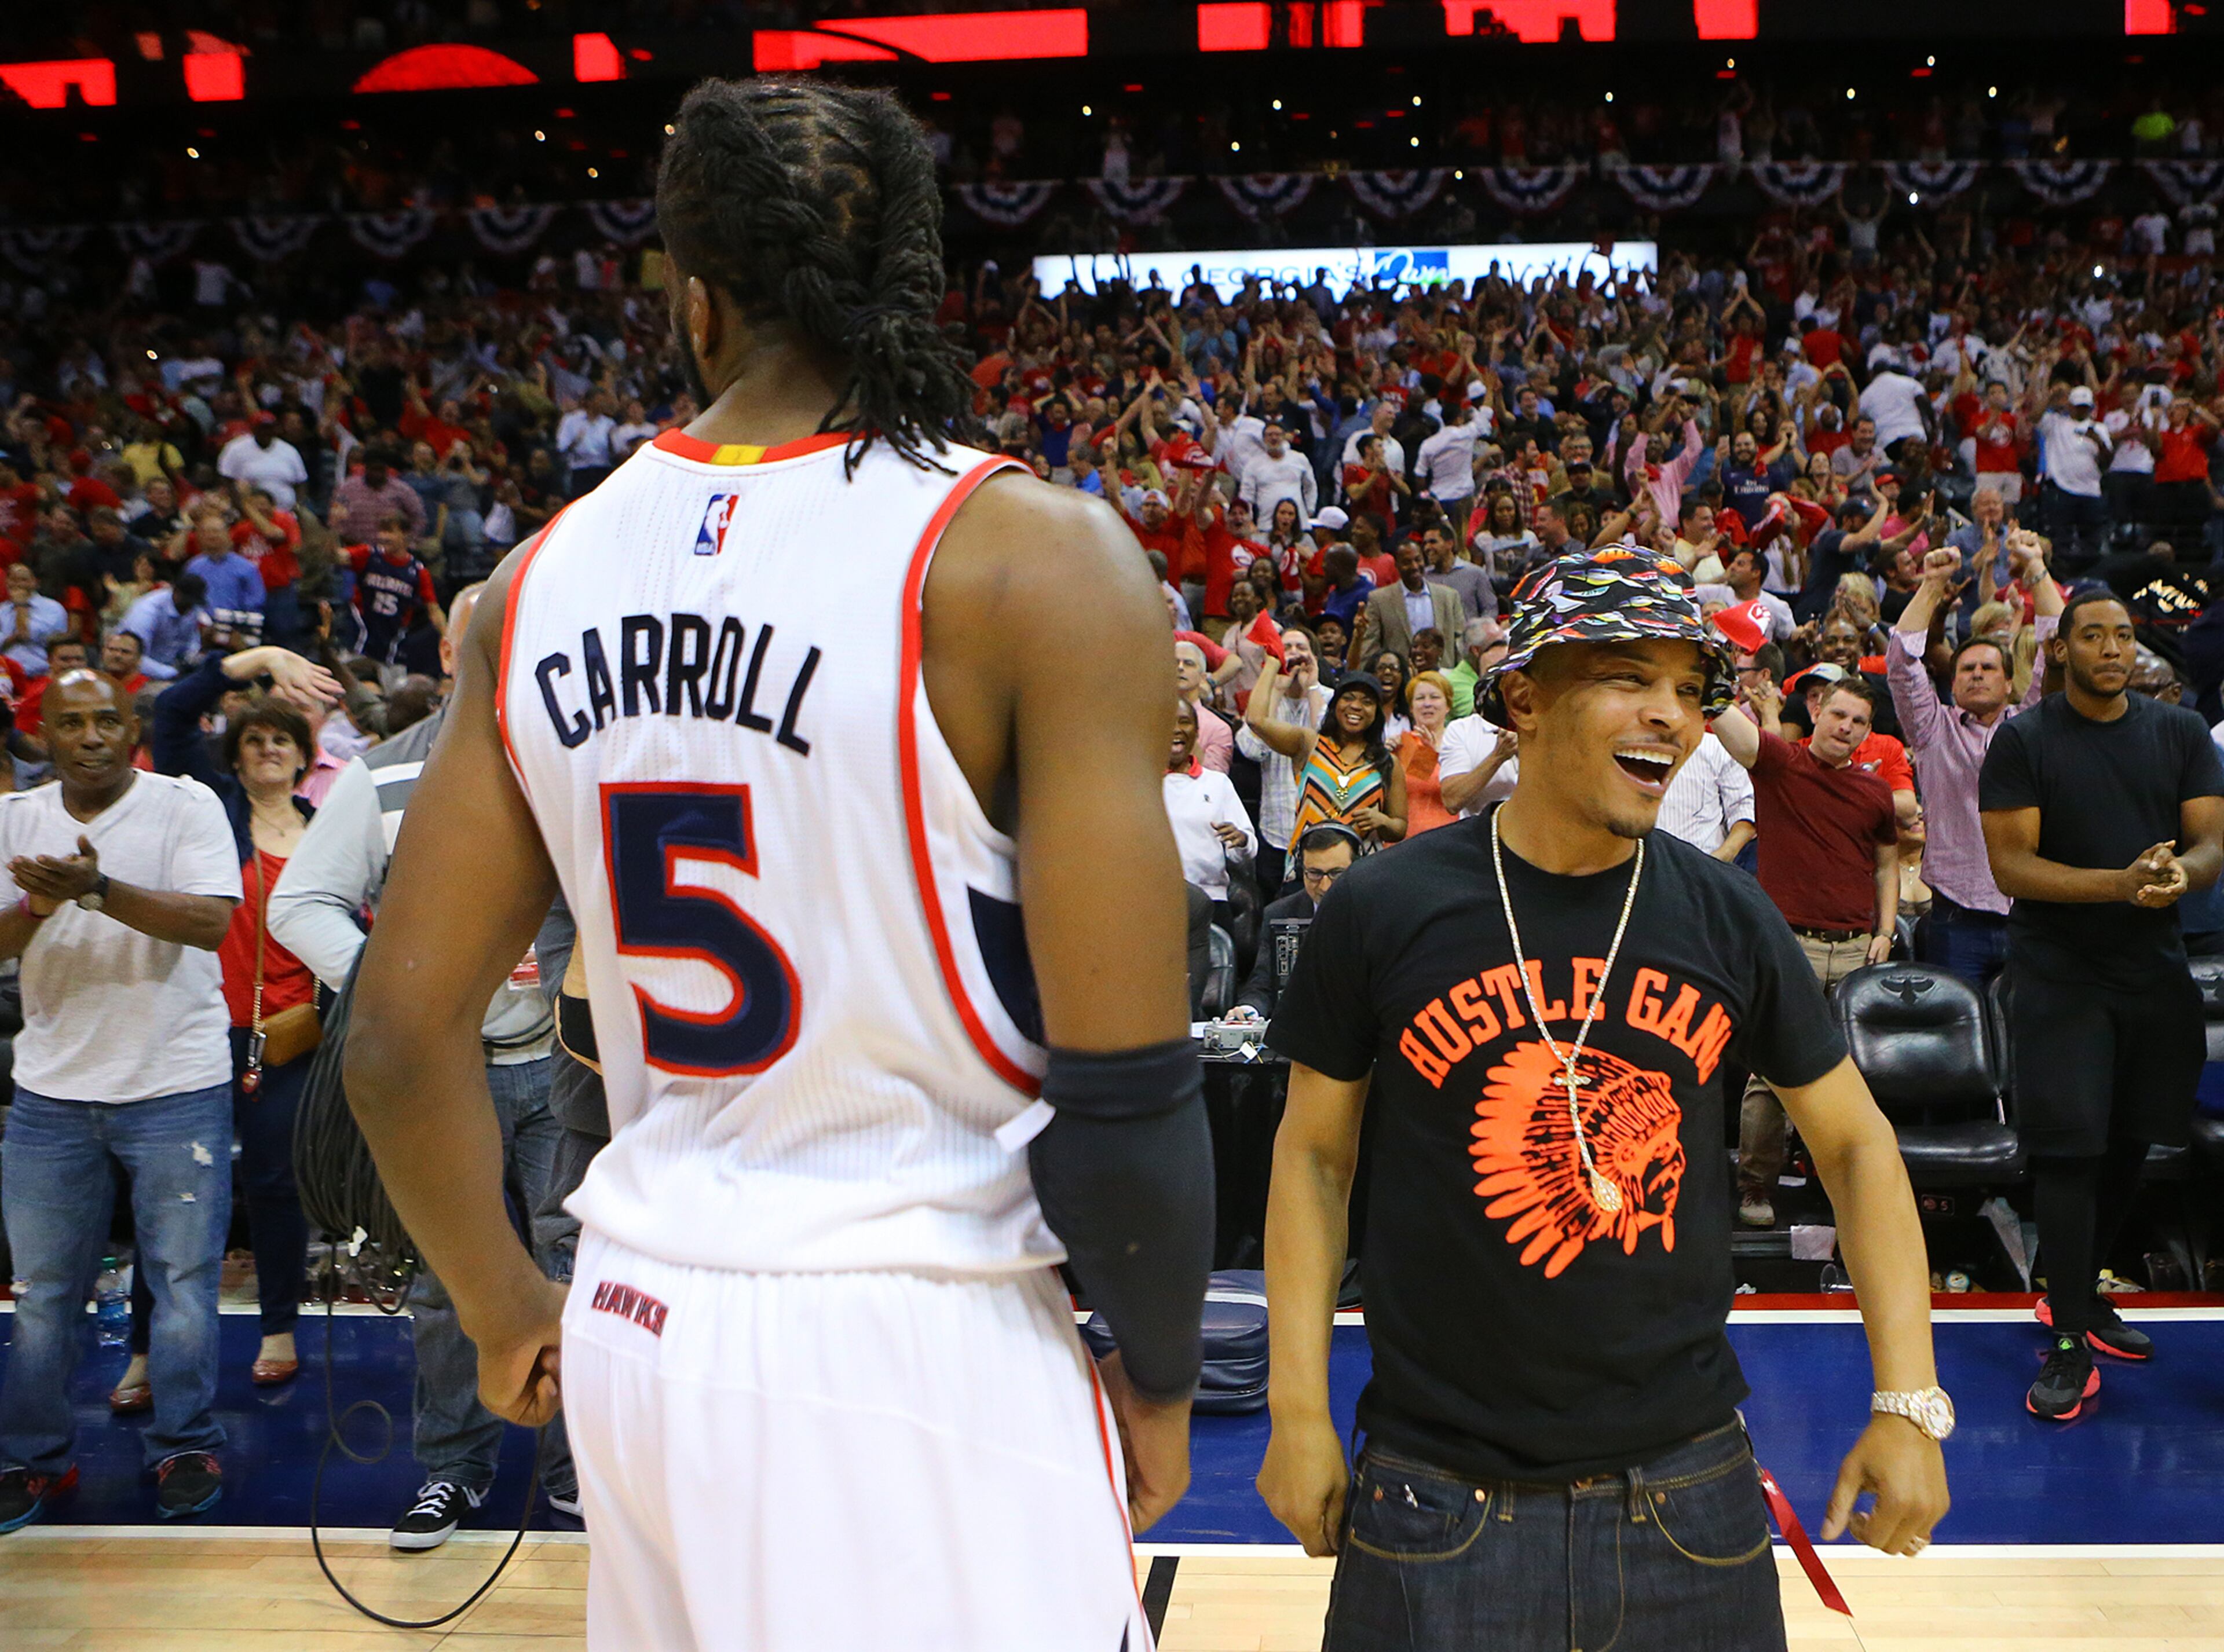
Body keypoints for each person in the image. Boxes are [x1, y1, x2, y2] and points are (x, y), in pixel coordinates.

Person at [339, 79, 1207, 1650]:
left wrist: (500, 1303)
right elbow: (1131, 1076)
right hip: (914, 1326)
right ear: (915, 281)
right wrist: (1154, 1368)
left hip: (641, 1313)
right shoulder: (1032, 558)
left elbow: (397, 1038)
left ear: (696, 296)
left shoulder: (536, 579)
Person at [1256, 547, 1948, 1651]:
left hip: (1688, 1490)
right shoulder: (1385, 904)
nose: (1670, 715)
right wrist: (1297, 1407)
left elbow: (1861, 1147)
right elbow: (1313, 1159)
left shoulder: (1727, 913)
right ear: (1522, 699)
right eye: (1630, 676)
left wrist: (1907, 1399)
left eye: (1688, 687)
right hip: (1434, 1491)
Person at [268, 583, 575, 1547]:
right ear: (451, 653)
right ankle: (454, 1468)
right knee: (451, 1276)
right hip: (455, 1067)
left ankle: (589, 1471)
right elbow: (301, 900)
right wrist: (405, 985)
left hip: (562, 1057)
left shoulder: (580, 755)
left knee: (586, 1270)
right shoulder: (387, 771)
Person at [0, 671, 244, 1531]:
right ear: (46, 736)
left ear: (134, 725)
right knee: (41, 1293)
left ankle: (184, 1443)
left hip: (175, 1083)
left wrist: (99, 890)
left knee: (182, 1285)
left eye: (108, 718)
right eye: (72, 723)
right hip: (50, 1092)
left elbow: (211, 923)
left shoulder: (186, 806)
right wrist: (38, 901)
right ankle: (34, 1461)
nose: (93, 735)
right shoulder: (14, 820)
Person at [1980, 589, 2224, 1420]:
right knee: (2071, 1151)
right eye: (2094, 636)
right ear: (2063, 649)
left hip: (2152, 968)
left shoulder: (2181, 731)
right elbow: (2013, 868)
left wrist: (2184, 874)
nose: (2113, 649)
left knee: (2137, 1139)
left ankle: (2071, 1290)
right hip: (2059, 972)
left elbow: (2210, 841)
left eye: (2123, 636)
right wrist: (2118, 885)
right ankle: (2067, 1340)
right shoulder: (2025, 738)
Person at [105, 647, 342, 1411]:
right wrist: (256, 662)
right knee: (174, 1193)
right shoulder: (209, 808)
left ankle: (279, 1328)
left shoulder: (330, 830)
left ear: (307, 758)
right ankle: (144, 1348)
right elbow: (171, 713)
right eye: (253, 739)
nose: (269, 747)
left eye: (283, 739)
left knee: (276, 1185)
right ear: (234, 758)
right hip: (203, 1029)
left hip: (293, 1034)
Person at [1713, 673, 1900, 1229]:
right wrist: (1703, 683)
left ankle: (1837, 1189)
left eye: (1859, 722)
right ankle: (1754, 1188)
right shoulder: (1780, 763)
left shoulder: (1875, 792)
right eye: (1839, 715)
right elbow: (1739, 738)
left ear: (1868, 732)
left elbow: (1888, 864)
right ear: (1816, 711)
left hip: (1855, 953)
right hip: (1786, 946)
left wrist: (1885, 931)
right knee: (1769, 1078)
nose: (1846, 727)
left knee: (1849, 1080)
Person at [1889, 543, 2061, 986]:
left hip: (2031, 914)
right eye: (1967, 668)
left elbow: (2060, 650)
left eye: (1988, 667)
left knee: (2032, 1037)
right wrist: (1931, 584)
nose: (1978, 674)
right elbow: (1902, 661)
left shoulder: (2035, 726)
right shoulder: (1930, 728)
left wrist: (2037, 569)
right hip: (1954, 917)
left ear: (2009, 682)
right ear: (1953, 680)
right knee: (1957, 1045)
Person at [1245, 657, 1408, 855]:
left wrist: (1383, 822)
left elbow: (1400, 826)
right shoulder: (1308, 743)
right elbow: (1256, 720)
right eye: (1348, 698)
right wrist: (1272, 664)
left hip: (1361, 873)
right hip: (1307, 869)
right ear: (1335, 704)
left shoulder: (1388, 762)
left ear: (1376, 712)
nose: (1356, 706)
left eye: (1367, 702)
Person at [1226, 822, 1359, 1023]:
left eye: (1336, 874)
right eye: (1314, 873)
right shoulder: (1279, 914)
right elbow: (1263, 984)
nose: (1325, 886)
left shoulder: (1380, 914)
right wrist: (1249, 1010)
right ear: (1300, 869)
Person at [1239, 625, 1333, 895]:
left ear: (1314, 657)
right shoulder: (1265, 702)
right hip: (1275, 830)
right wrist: (1277, 689)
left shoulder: (1328, 698)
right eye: (1286, 649)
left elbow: (1327, 750)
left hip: (1321, 826)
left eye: (1301, 649)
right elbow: (1252, 749)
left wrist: (1313, 687)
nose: (1294, 655)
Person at [1165, 698, 1257, 911]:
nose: (1176, 729)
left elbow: (1247, 845)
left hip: (1211, 901)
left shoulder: (1218, 783)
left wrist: (1241, 840)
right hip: (1153, 901)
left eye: (1184, 722)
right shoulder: (1140, 783)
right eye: (1168, 722)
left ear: (1197, 732)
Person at [1355, 537, 1466, 667]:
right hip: (1401, 680)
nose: (1414, 566)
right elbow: (1370, 647)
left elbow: (1460, 643)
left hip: (1443, 677)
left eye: (1418, 560)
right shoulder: (1379, 600)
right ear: (1396, 565)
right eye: (1407, 562)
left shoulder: (1449, 597)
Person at [1655, 728, 1757, 861]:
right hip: (1640, 867)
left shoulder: (1716, 747)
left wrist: (1724, 856)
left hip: (1707, 864)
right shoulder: (1628, 750)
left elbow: (1745, 807)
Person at [1396, 670, 1459, 835]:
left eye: (1435, 697)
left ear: (1448, 706)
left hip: (1450, 836)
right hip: (1406, 839)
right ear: (1411, 708)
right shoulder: (1401, 744)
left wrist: (1435, 753)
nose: (1427, 704)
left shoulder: (1460, 742)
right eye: (1420, 698)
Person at [0, 562, 70, 678]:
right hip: (6, 676)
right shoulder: (2, 610)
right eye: (13, 579)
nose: (18, 584)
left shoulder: (53, 608)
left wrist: (21, 606)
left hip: (42, 674)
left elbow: (28, 635)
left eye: (23, 580)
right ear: (7, 583)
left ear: (35, 582)